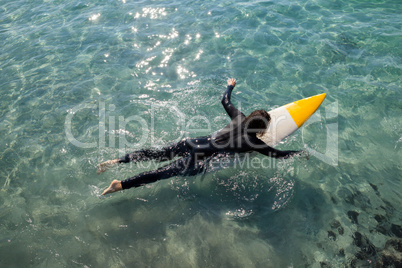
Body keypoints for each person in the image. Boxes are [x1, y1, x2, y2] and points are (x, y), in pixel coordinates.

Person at [98, 78, 301, 195]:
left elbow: (224, 100)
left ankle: (117, 161)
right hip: (199, 159)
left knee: (155, 154)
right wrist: (300, 153)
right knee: (160, 173)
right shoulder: (255, 143)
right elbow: (279, 155)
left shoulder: (238, 117)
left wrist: (230, 85)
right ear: (261, 129)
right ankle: (119, 185)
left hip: (192, 142)